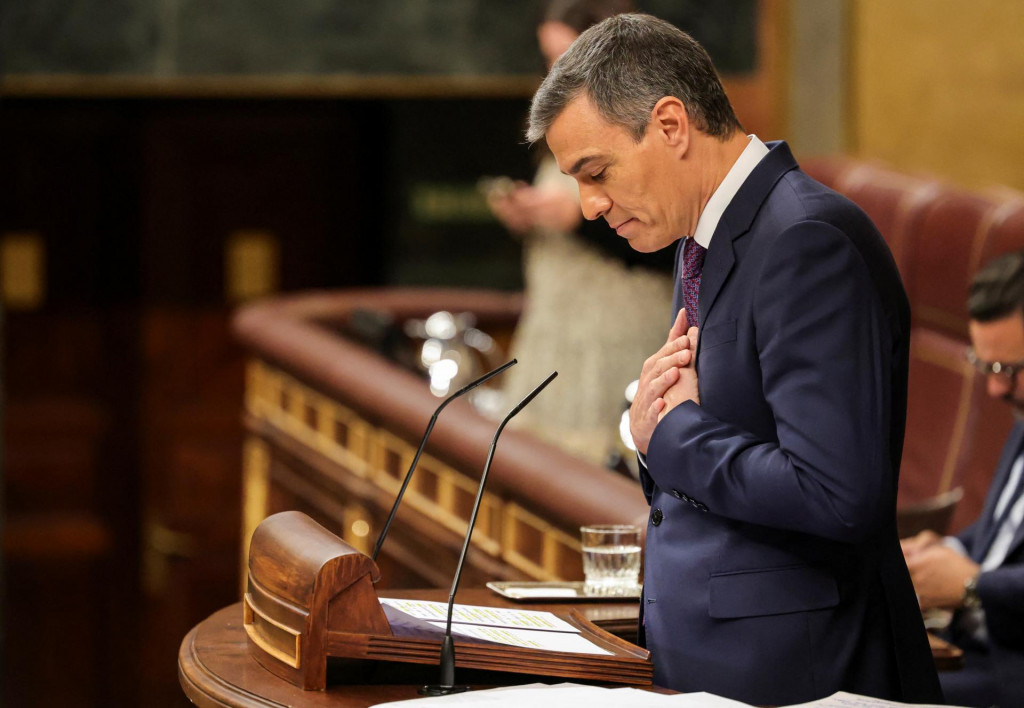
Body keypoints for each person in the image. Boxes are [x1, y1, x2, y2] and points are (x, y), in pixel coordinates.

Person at [526, 13, 942, 705]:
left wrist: (666, 433)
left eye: (595, 173)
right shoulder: (700, 240)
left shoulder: (805, 240)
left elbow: (838, 496)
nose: (589, 206)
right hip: (719, 659)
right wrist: (658, 431)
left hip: (796, 672)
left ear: (670, 125)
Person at [485, 0, 675, 467]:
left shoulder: (638, 123)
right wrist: (527, 213)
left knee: (607, 468)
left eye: (564, 58)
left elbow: (670, 240)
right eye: (547, 58)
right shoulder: (559, 118)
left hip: (616, 324)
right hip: (557, 319)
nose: (553, 73)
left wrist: (580, 222)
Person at [902, 250, 1024, 708]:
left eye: (1010, 370)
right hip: (970, 648)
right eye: (985, 365)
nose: (995, 389)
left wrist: (972, 585)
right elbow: (1005, 537)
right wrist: (942, 553)